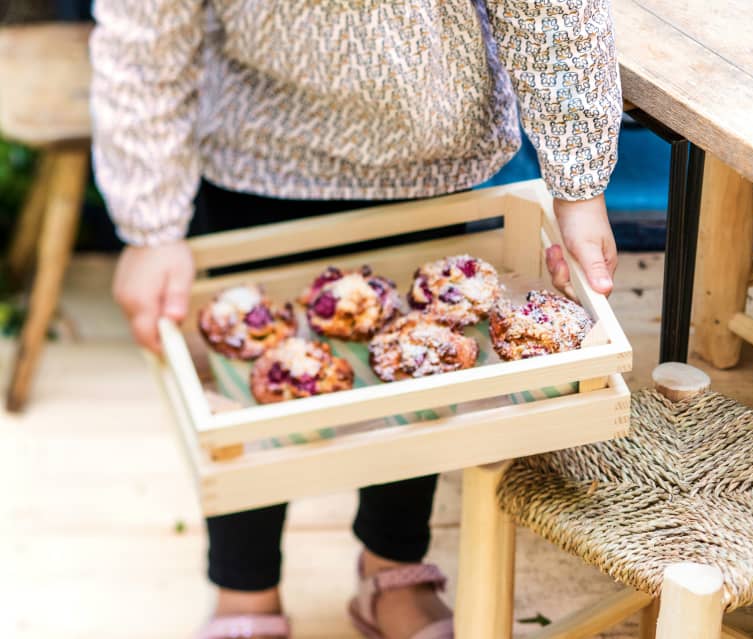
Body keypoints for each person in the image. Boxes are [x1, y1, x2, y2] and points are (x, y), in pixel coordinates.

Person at [90, 1, 621, 637]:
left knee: (424, 376)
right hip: (258, 149)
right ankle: (245, 588)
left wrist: (579, 183)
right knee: (244, 397)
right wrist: (149, 222)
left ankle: (391, 566)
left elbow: (550, 11)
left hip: (432, 146)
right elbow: (144, 27)